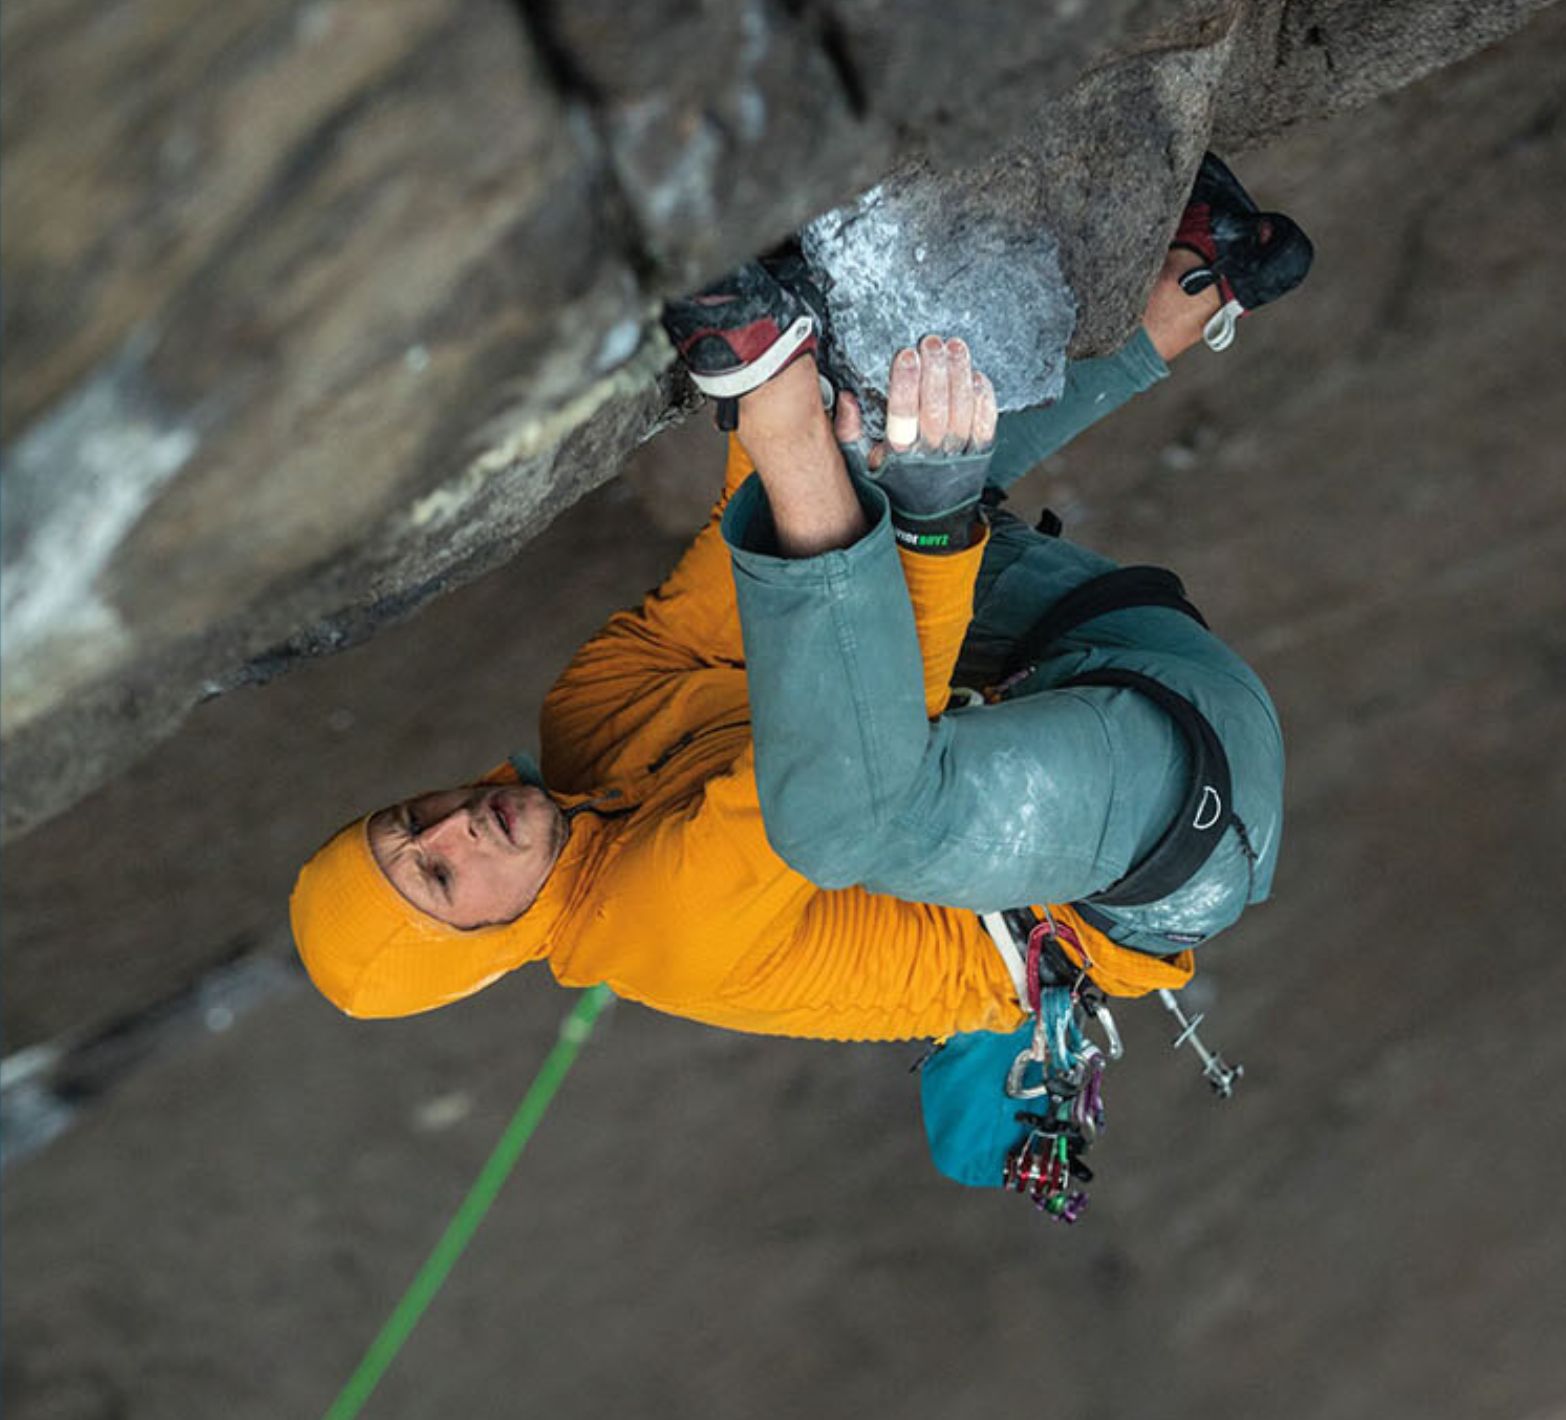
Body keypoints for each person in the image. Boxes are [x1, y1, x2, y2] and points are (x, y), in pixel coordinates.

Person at [289, 154, 1311, 1047]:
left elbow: (757, 571)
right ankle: (802, 403)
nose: (456, 826)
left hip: (1086, 659)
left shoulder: (586, 721)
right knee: (840, 808)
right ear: (479, 948)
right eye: (438, 877)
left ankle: (1201, 271)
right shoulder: (662, 935)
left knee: (854, 488)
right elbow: (874, 729)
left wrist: (783, 374)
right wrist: (859, 467)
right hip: (1161, 836)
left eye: (409, 821)